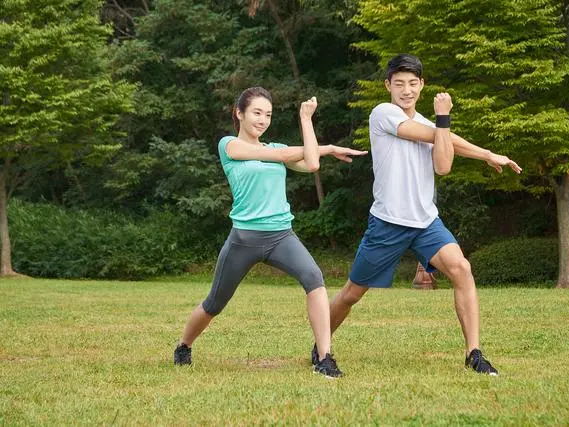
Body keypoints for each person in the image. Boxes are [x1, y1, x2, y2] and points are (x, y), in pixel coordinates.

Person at [312, 54, 522, 375]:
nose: (406, 90)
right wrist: (444, 119)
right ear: (388, 86)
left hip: (426, 223)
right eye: (399, 84)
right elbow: (437, 136)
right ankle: (321, 346)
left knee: (461, 268)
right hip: (388, 222)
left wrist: (487, 154)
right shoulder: (383, 113)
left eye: (413, 83)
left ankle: (474, 353)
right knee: (352, 294)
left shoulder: (432, 123)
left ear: (422, 85)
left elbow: (443, 165)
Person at [174, 86, 367, 378]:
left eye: (268, 115)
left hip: (281, 236)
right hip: (243, 239)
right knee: (215, 302)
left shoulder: (277, 149)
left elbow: (312, 163)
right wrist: (325, 148)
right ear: (239, 113)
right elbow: (277, 155)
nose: (263, 120)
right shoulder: (229, 146)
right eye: (256, 113)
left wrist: (306, 120)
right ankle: (184, 346)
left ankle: (324, 357)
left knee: (314, 278)